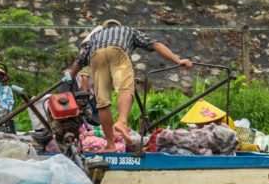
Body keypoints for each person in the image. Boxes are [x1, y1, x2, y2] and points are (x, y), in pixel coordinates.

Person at [64, 19, 194, 152]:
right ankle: (121, 122)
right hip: (118, 52)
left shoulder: (96, 36)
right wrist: (178, 60)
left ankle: (110, 145)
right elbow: (155, 44)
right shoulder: (127, 30)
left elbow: (80, 61)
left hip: (96, 56)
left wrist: (71, 77)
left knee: (102, 102)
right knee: (125, 87)